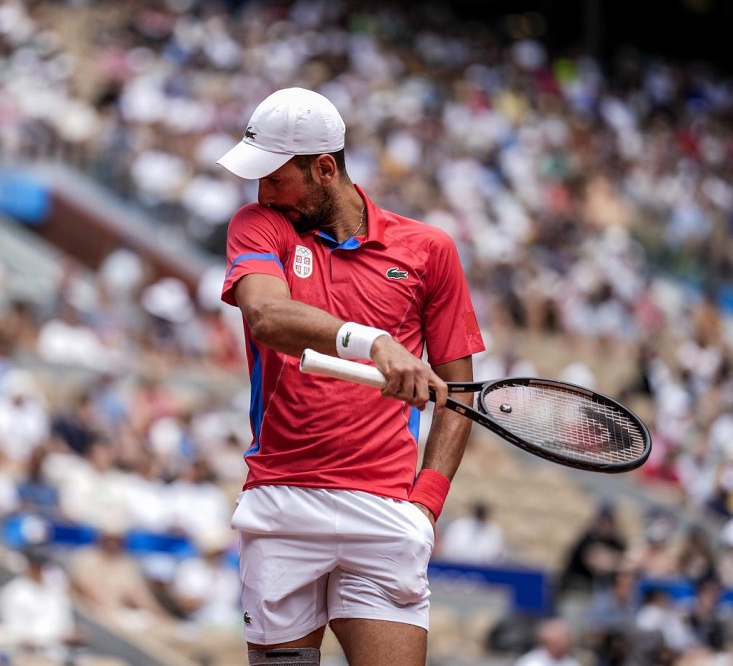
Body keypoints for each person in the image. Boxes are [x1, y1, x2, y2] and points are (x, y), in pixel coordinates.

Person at [216, 88, 484, 665]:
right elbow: (265, 316)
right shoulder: (257, 225)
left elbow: (457, 395)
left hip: (386, 511)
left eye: (275, 178)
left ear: (324, 169)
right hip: (283, 499)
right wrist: (373, 343)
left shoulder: (430, 251)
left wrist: (426, 506)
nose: (262, 192)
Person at [513, 618, 582, 666]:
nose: (568, 643)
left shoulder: (570, 662)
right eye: (561, 640)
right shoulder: (531, 663)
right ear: (548, 642)